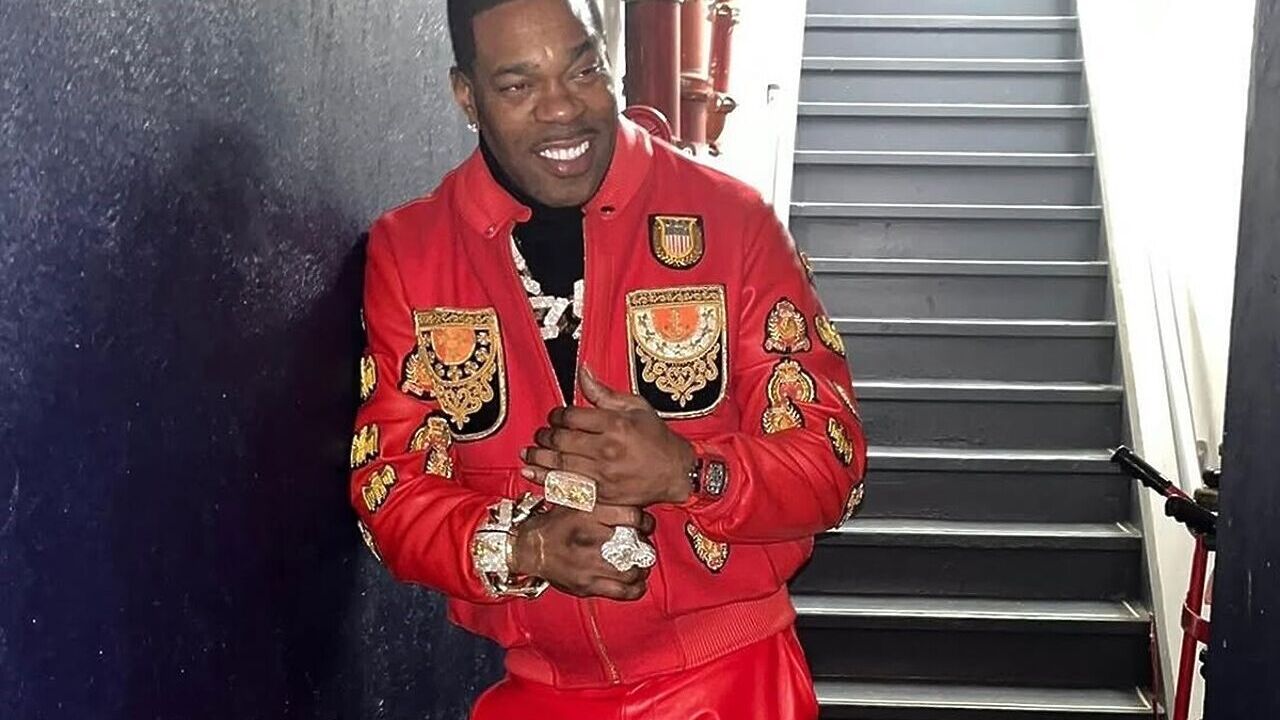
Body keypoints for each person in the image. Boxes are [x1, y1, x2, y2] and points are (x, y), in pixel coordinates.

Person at [348, 0, 867, 716]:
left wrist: (689, 472)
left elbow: (831, 464)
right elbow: (389, 485)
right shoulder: (413, 252)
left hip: (732, 681)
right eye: (518, 85)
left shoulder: (733, 221)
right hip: (539, 691)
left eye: (584, 69)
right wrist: (522, 547)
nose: (563, 108)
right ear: (467, 96)